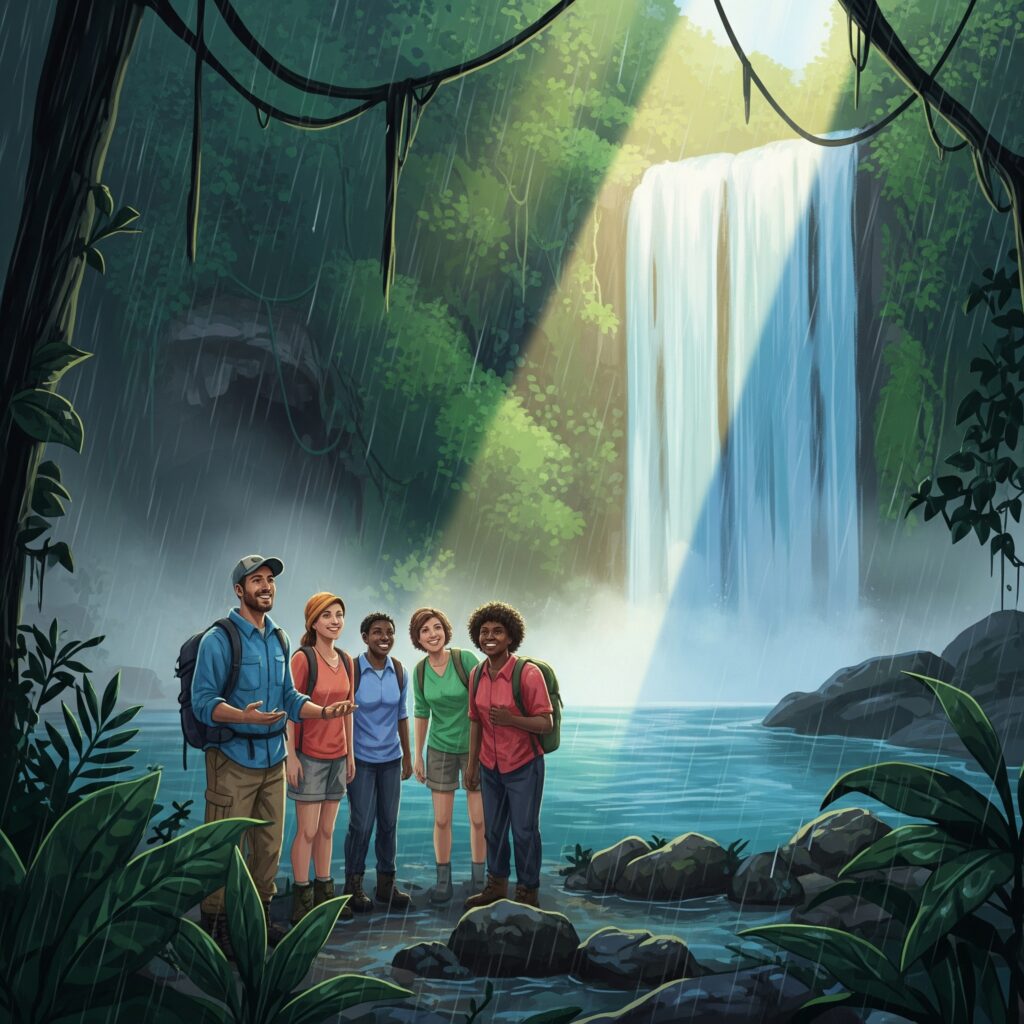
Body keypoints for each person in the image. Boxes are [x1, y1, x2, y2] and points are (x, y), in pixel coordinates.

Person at [192, 555, 352, 955]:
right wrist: (241, 716)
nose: (265, 586)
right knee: (225, 846)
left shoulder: (279, 638)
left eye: (270, 580)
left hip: (272, 761)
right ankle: (216, 927)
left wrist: (323, 711)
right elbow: (202, 702)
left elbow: (290, 698)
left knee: (268, 846)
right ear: (239, 590)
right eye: (256, 580)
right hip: (231, 759)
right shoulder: (219, 639)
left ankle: (259, 919)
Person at [464, 601, 553, 910]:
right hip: (490, 765)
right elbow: (475, 720)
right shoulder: (476, 674)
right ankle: (497, 884)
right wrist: (472, 763)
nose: (490, 637)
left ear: (511, 637)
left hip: (523, 764)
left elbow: (546, 722)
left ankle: (528, 890)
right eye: (484, 632)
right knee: (494, 829)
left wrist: (512, 719)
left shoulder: (527, 675)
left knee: (525, 830)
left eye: (498, 632)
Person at [286, 592, 357, 925]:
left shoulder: (345, 660)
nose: (335, 621)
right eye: (327, 615)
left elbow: (348, 712)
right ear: (313, 621)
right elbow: (290, 709)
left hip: (338, 756)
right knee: (308, 830)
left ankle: (324, 892)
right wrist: (291, 757)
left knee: (328, 830)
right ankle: (302, 896)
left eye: (339, 614)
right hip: (309, 755)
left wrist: (351, 756)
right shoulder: (303, 659)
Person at [409, 607, 485, 904]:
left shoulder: (464, 660)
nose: (432, 634)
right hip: (439, 749)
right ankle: (444, 881)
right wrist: (418, 755)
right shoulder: (420, 671)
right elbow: (421, 712)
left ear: (446, 630)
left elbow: (484, 697)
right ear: (418, 637)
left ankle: (479, 879)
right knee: (441, 820)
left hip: (472, 748)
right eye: (425, 630)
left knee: (478, 819)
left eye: (436, 627)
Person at [343, 612, 413, 912]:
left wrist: (408, 756)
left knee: (389, 823)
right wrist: (346, 756)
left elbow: (401, 715)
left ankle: (386, 885)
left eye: (389, 632)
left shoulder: (399, 670)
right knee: (360, 823)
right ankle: (353, 884)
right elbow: (344, 715)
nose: (384, 637)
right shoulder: (353, 670)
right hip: (361, 759)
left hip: (391, 759)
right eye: (377, 632)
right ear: (364, 637)